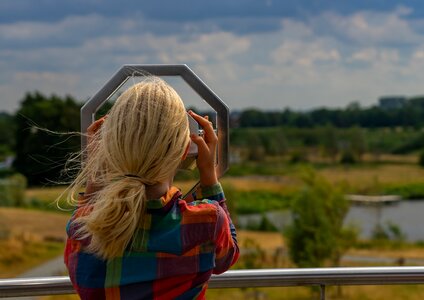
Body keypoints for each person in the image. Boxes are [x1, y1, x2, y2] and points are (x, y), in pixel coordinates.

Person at [64, 77, 239, 300]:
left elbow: (77, 263)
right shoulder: (208, 222)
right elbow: (226, 258)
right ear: (185, 150)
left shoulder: (83, 229)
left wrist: (96, 173)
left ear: (110, 147)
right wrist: (209, 177)